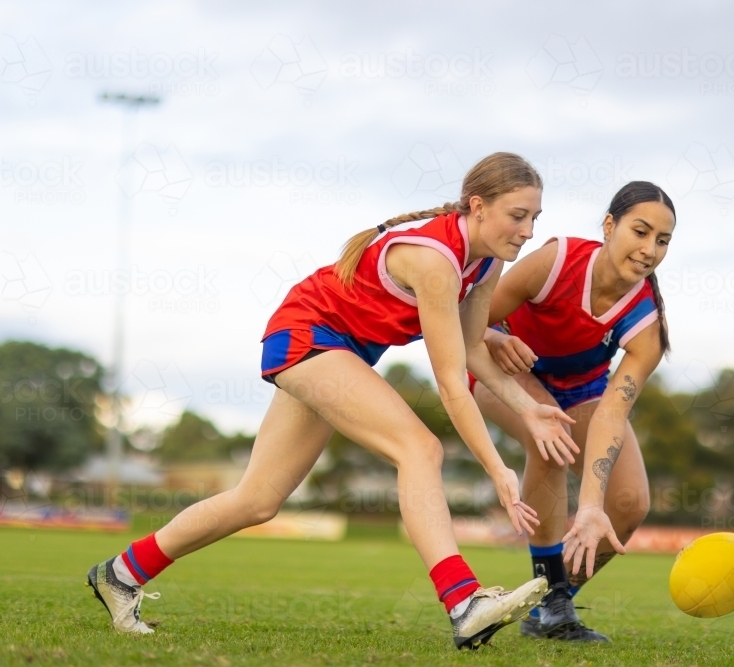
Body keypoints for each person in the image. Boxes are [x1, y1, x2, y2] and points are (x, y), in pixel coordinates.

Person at [86, 152, 582, 650]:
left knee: (257, 501)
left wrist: (526, 407)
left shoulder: (487, 261)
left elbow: (472, 346)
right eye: (518, 216)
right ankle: (463, 601)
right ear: (478, 206)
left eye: (535, 218)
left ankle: (121, 573)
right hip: (310, 336)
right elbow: (451, 384)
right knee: (420, 449)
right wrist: (498, 468)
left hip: (337, 351)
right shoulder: (436, 261)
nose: (528, 230)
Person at [471, 181, 676, 642]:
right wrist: (499, 339)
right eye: (640, 232)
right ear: (609, 225)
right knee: (550, 440)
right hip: (501, 369)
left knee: (628, 504)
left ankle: (547, 603)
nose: (649, 249)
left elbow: (610, 413)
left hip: (581, 391)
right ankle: (556, 602)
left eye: (662, 241)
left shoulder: (646, 327)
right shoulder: (556, 260)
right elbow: (471, 319)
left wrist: (590, 508)